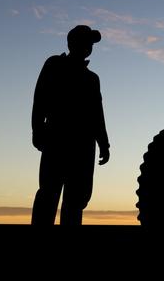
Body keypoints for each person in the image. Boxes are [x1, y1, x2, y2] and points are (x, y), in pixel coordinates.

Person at [31, 25, 110, 226]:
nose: (89, 47)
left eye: (90, 44)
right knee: (49, 192)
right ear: (72, 43)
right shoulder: (54, 65)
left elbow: (96, 113)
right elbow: (40, 99)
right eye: (86, 42)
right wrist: (37, 130)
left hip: (83, 145)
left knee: (76, 199)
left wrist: (104, 143)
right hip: (57, 138)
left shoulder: (92, 79)